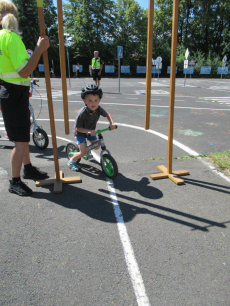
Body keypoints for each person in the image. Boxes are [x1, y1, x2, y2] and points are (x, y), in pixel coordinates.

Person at [0, 0, 50, 196]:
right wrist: (39, 48)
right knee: (20, 142)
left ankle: (28, 168)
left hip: (9, 92)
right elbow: (25, 71)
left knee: (22, 136)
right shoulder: (11, 38)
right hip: (14, 94)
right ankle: (14, 181)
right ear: (15, 18)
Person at [68, 84, 116, 171]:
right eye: (89, 100)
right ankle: (72, 161)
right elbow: (78, 128)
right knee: (83, 152)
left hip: (91, 131)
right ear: (84, 101)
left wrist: (111, 123)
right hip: (80, 133)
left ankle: (86, 148)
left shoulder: (98, 109)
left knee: (97, 146)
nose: (93, 103)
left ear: (99, 100)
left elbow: (107, 114)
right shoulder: (82, 114)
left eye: (95, 100)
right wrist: (89, 131)